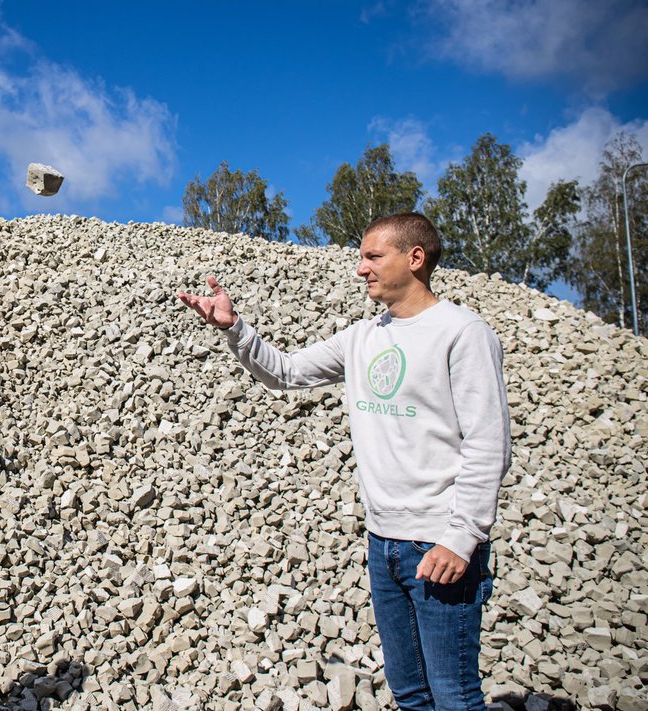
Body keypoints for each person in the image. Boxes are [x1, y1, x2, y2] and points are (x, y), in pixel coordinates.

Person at [177, 213, 510, 710]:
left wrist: (462, 538)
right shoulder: (362, 337)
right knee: (412, 694)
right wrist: (235, 329)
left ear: (414, 258)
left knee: (455, 696)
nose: (360, 269)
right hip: (383, 543)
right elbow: (286, 373)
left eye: (373, 257)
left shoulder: (462, 334)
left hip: (439, 545)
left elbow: (488, 444)